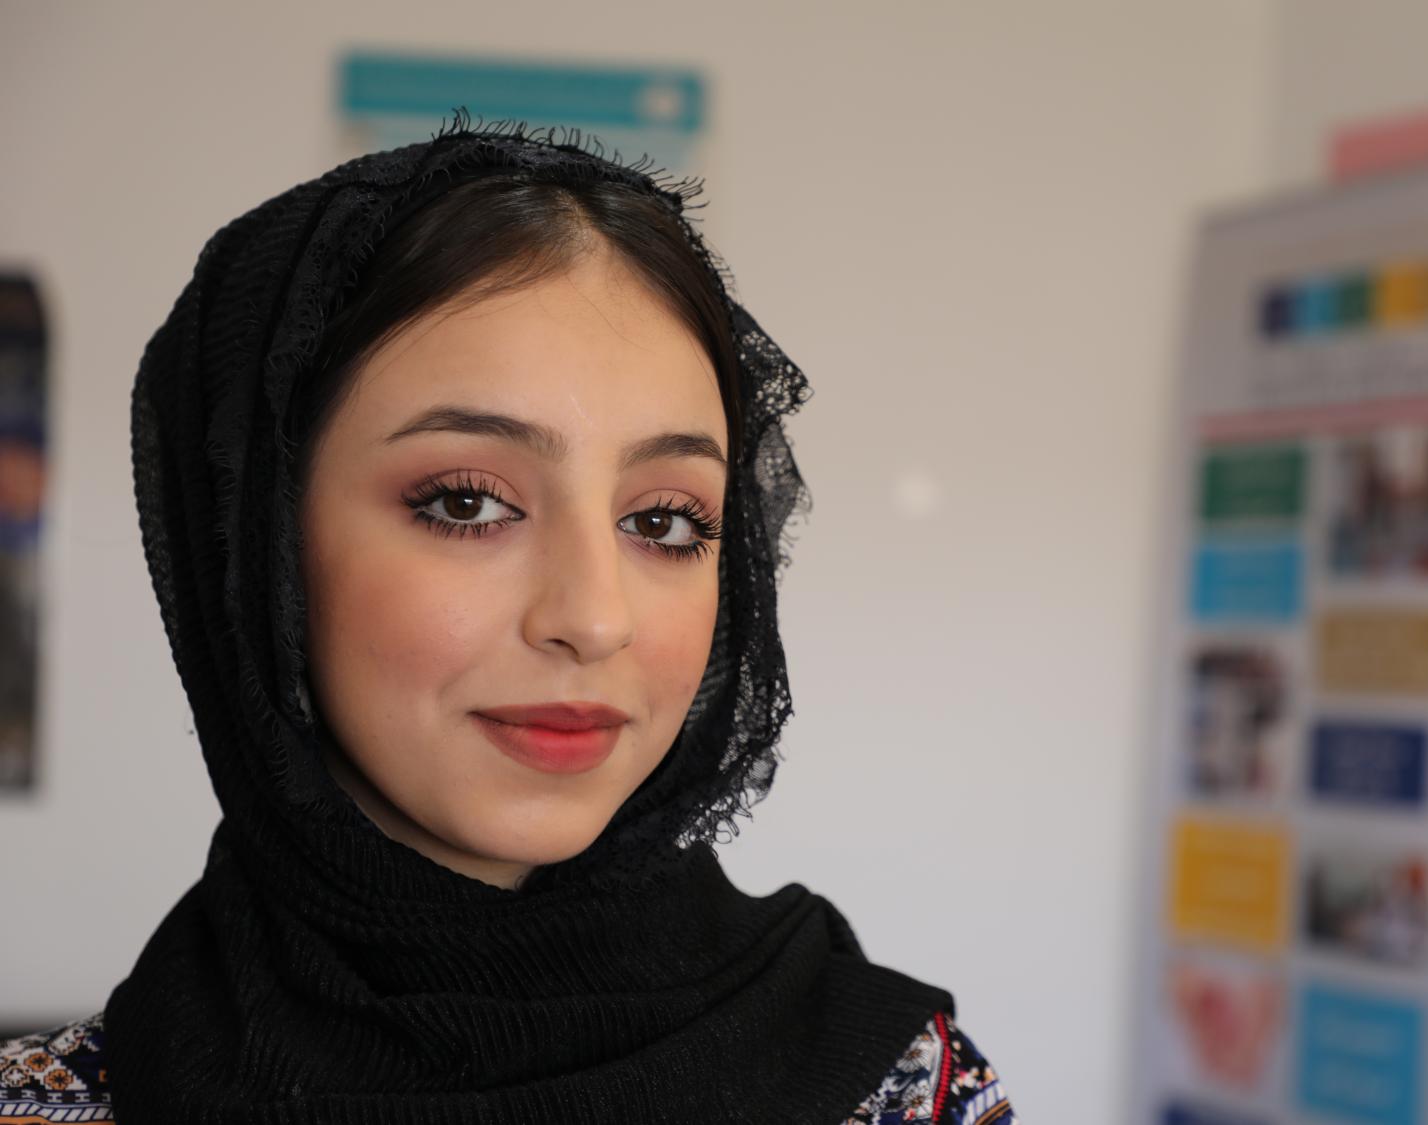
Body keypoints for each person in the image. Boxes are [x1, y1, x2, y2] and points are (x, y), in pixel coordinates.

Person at [0, 111, 1018, 1124]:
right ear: (256, 545)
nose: (593, 619)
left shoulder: (899, 1095)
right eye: (465, 502)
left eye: (662, 520)